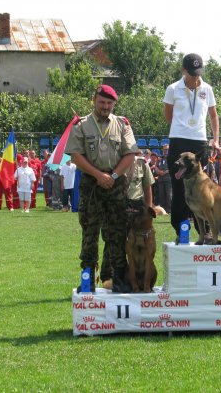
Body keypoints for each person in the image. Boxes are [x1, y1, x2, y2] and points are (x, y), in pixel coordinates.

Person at [65, 84, 137, 293]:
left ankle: (118, 278)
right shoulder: (81, 125)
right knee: (90, 233)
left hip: (116, 184)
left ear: (114, 103)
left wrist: (112, 176)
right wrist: (99, 176)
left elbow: (130, 154)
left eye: (109, 103)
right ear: (94, 101)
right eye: (101, 102)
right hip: (91, 185)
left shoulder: (123, 124)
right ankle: (87, 280)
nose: (105, 106)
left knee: (117, 233)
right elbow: (76, 155)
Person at [163, 53, 221, 241]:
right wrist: (182, 129)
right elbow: (168, 116)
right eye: (192, 73)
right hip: (179, 140)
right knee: (179, 188)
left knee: (200, 189)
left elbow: (213, 116)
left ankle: (204, 230)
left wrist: (216, 139)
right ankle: (181, 231)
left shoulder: (207, 89)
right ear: (183, 70)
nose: (196, 77)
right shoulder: (173, 89)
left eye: (198, 73)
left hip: (199, 143)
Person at [100, 153, 155, 289]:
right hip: (117, 208)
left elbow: (147, 188)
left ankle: (132, 280)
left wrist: (148, 212)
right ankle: (110, 277)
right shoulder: (111, 162)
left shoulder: (142, 163)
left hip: (137, 211)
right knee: (113, 242)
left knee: (137, 249)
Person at [154, 144, 172, 213]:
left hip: (168, 180)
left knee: (169, 195)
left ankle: (170, 210)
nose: (165, 151)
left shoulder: (171, 158)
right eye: (164, 149)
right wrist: (158, 171)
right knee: (161, 195)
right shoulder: (159, 159)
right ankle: (162, 211)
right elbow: (156, 167)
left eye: (167, 149)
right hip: (161, 180)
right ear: (162, 150)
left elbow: (172, 168)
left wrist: (163, 172)